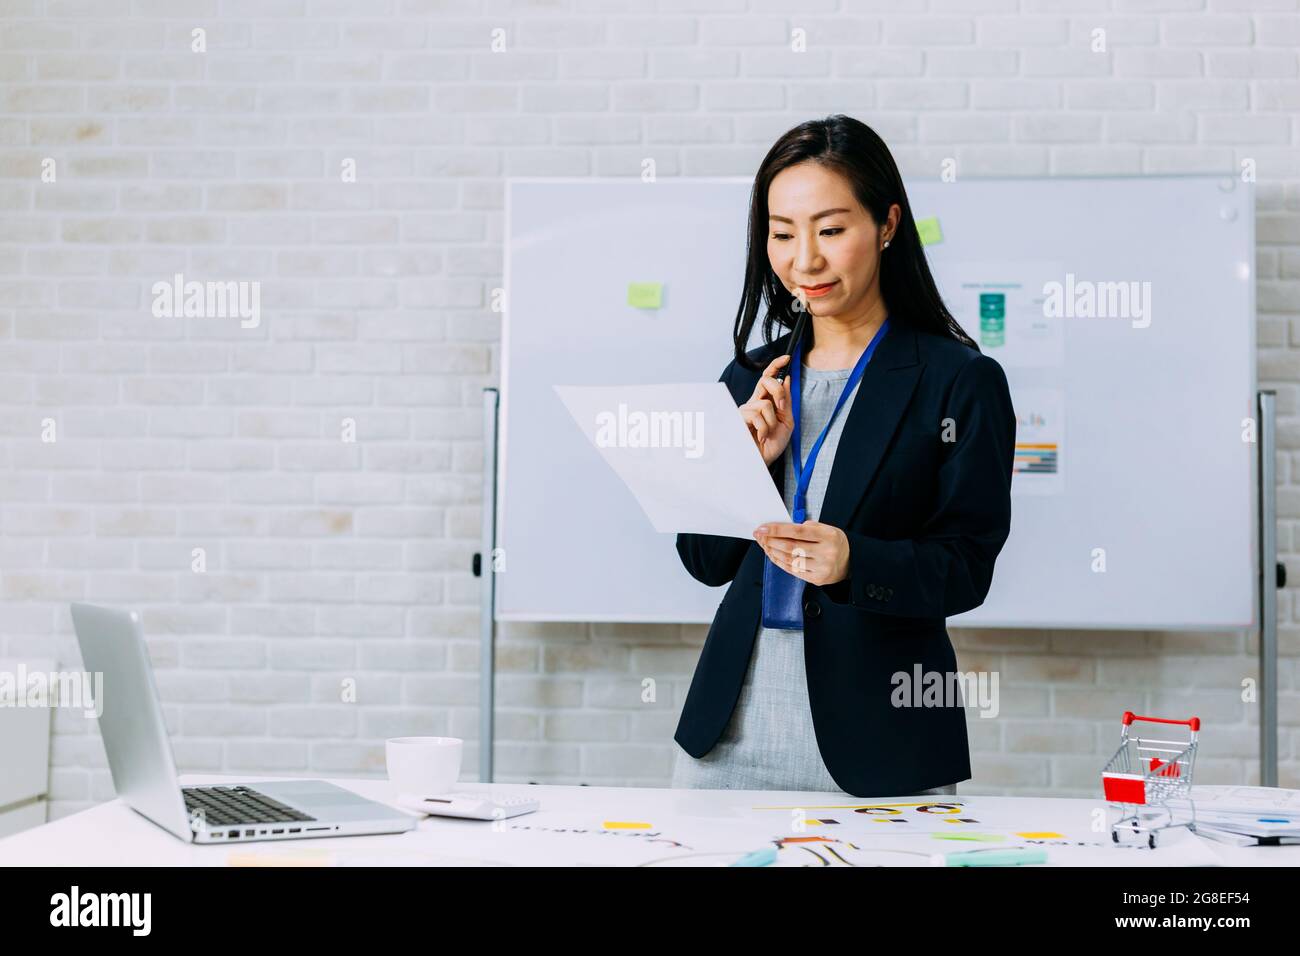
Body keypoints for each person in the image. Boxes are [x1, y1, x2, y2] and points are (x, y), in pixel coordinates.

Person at [671, 114, 1016, 797]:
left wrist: (856, 561)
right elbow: (703, 561)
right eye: (782, 233)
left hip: (884, 740)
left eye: (830, 229)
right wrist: (744, 466)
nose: (805, 259)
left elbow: (967, 568)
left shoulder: (959, 381)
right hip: (728, 734)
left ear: (887, 225)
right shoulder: (750, 378)